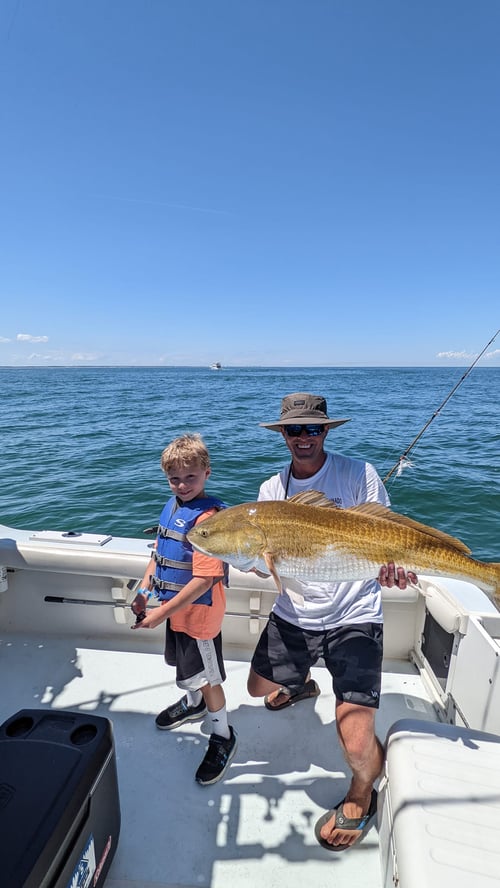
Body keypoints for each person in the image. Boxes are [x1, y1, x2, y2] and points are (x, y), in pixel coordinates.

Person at [246, 393, 417, 851]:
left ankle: (363, 793)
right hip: (295, 615)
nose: (303, 438)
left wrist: (392, 567)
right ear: (282, 435)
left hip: (354, 615)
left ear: (326, 431)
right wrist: (254, 558)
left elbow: (389, 535)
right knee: (256, 690)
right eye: (293, 430)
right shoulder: (269, 494)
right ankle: (300, 684)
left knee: (357, 744)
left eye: (312, 429)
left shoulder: (359, 475)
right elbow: (264, 564)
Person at [131, 433, 237, 786]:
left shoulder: (209, 520)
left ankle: (223, 735)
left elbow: (204, 581)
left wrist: (159, 614)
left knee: (208, 677)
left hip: (200, 617)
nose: (182, 484)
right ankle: (193, 705)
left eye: (190, 477)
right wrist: (144, 593)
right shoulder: (173, 507)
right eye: (174, 478)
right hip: (172, 610)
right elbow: (158, 557)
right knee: (184, 667)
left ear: (207, 473)